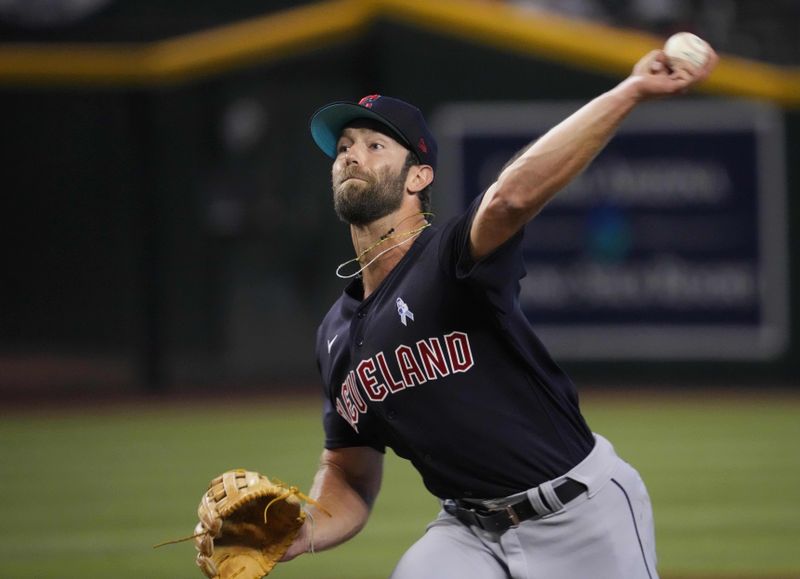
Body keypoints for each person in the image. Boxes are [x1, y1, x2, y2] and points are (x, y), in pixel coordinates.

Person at [282, 45, 717, 578]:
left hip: (579, 514)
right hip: (466, 534)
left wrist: (628, 92)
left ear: (419, 178)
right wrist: (302, 529)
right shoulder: (334, 335)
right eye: (344, 147)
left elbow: (508, 200)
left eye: (375, 145)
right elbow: (348, 475)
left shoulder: (447, 259)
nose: (352, 154)